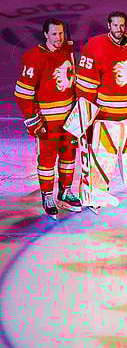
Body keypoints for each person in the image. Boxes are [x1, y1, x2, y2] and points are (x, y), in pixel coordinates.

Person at [75, 11, 127, 212]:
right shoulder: (95, 45)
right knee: (102, 160)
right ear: (108, 25)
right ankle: (96, 196)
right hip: (105, 118)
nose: (119, 29)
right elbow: (85, 87)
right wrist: (85, 118)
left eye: (122, 25)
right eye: (115, 25)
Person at [14, 18, 80, 218]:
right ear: (45, 35)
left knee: (69, 157)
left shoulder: (67, 52)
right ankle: (47, 195)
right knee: (47, 161)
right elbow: (22, 93)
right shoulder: (34, 57)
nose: (58, 38)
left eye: (60, 33)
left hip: (69, 119)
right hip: (48, 122)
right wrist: (33, 120)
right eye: (54, 34)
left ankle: (65, 191)